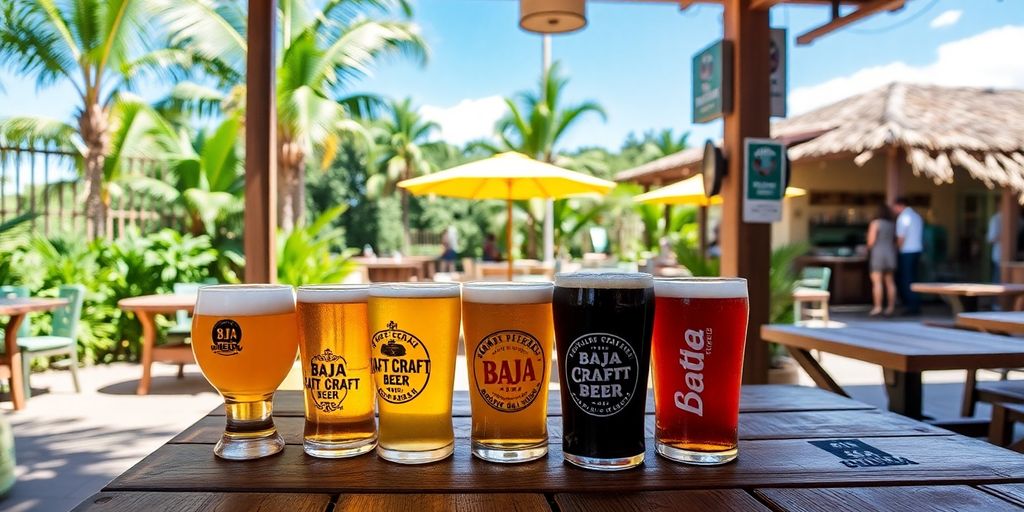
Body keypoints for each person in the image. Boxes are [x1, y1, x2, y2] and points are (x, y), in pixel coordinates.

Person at [892, 197, 923, 316]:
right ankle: (915, 304)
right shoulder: (916, 216)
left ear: (899, 205)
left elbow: (901, 238)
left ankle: (911, 305)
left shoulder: (904, 217)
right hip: (917, 250)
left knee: (907, 279)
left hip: (907, 251)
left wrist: (896, 249)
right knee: (913, 278)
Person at [867, 204, 897, 316]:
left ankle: (878, 307)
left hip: (878, 253)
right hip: (890, 253)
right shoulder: (892, 224)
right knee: (890, 282)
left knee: (877, 282)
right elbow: (896, 239)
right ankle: (890, 307)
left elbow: (871, 241)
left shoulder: (876, 223)